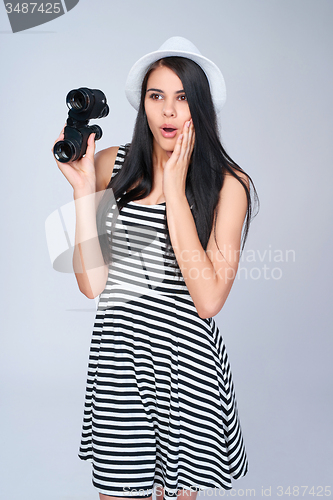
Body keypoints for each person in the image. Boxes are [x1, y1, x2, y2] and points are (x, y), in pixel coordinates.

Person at [53, 37, 259, 500]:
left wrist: (174, 189)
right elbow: (94, 284)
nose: (168, 111)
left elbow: (207, 300)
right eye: (157, 96)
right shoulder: (113, 165)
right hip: (118, 364)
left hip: (187, 370)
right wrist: (84, 191)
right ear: (142, 104)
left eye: (182, 98)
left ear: (200, 107)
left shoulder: (229, 184)